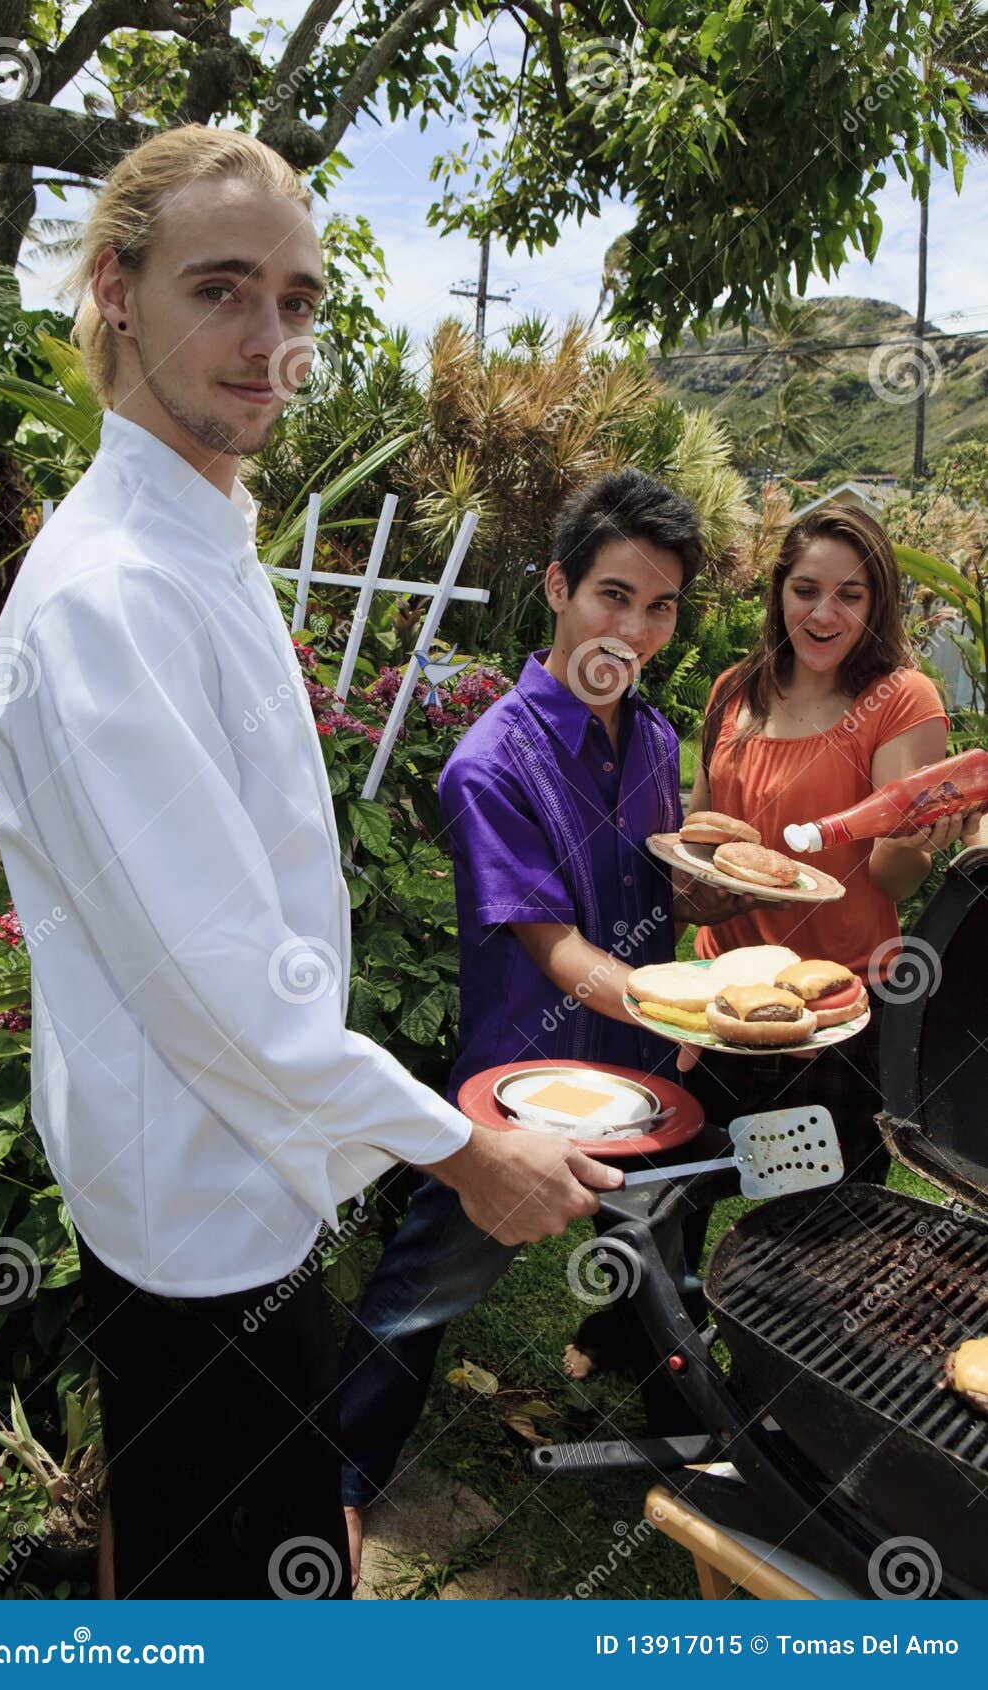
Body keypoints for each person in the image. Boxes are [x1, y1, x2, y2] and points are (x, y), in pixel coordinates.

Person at [0, 125, 624, 1602]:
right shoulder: (111, 596)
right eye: (222, 288)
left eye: (300, 298)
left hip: (230, 1183)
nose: (272, 341)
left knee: (218, 1554)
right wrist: (467, 1153)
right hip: (202, 1221)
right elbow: (221, 989)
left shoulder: (198, 528)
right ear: (116, 288)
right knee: (252, 1587)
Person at [338, 468, 762, 1582]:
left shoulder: (654, 738)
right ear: (557, 587)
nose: (634, 627)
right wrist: (691, 1003)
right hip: (525, 1094)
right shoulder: (490, 763)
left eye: (661, 606)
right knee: (417, 1297)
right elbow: (554, 950)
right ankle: (336, 1484)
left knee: (666, 1261)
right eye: (613, 595)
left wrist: (714, 898)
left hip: (641, 1079)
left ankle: (710, 1446)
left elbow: (651, 896)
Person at [685, 502, 984, 1180]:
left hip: (837, 1008)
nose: (824, 615)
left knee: (823, 1226)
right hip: (721, 994)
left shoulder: (902, 698)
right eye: (805, 591)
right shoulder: (735, 690)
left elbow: (890, 880)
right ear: (778, 592)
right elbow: (703, 833)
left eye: (849, 595)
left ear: (876, 605)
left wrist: (916, 844)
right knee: (678, 1196)